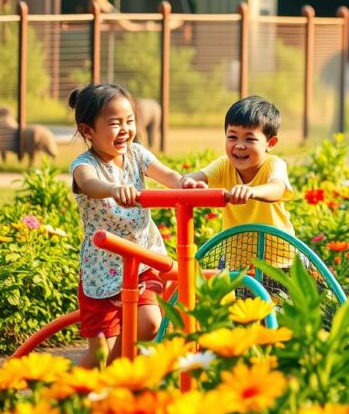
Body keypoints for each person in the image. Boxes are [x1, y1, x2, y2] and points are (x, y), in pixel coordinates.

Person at [68, 83, 206, 368]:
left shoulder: (137, 154)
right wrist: (113, 189)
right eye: (114, 123)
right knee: (99, 354)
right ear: (88, 130)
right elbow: (88, 184)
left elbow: (167, 175)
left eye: (129, 121)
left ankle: (114, 379)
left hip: (143, 260)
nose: (125, 129)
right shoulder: (84, 164)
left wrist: (185, 183)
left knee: (150, 324)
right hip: (102, 268)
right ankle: (61, 397)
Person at [183, 96, 296, 271]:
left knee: (276, 299)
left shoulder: (274, 165)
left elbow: (277, 188)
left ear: (270, 143)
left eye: (250, 139)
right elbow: (195, 177)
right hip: (236, 262)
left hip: (278, 262)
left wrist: (251, 191)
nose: (239, 145)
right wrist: (188, 182)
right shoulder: (223, 166)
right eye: (232, 137)